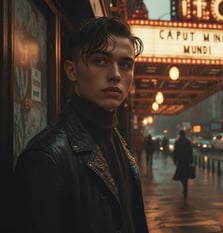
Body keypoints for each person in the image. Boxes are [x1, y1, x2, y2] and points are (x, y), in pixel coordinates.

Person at [13, 16, 149, 233]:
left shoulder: (117, 142)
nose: (115, 75)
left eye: (125, 64)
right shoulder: (45, 157)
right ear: (72, 71)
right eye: (100, 61)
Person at [173, 130, 193, 198]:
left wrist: (175, 160)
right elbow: (190, 151)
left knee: (181, 175)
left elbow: (175, 152)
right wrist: (191, 160)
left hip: (180, 161)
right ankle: (185, 187)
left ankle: (185, 187)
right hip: (186, 161)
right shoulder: (188, 142)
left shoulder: (177, 142)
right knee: (186, 175)